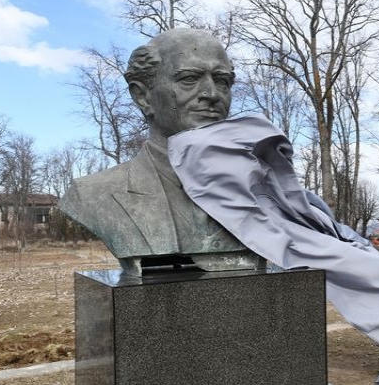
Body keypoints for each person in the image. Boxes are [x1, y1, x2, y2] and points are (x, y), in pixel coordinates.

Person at [59, 29, 264, 276]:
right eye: (189, 78)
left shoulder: (266, 191)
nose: (211, 94)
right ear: (142, 96)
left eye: (222, 81)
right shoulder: (94, 193)